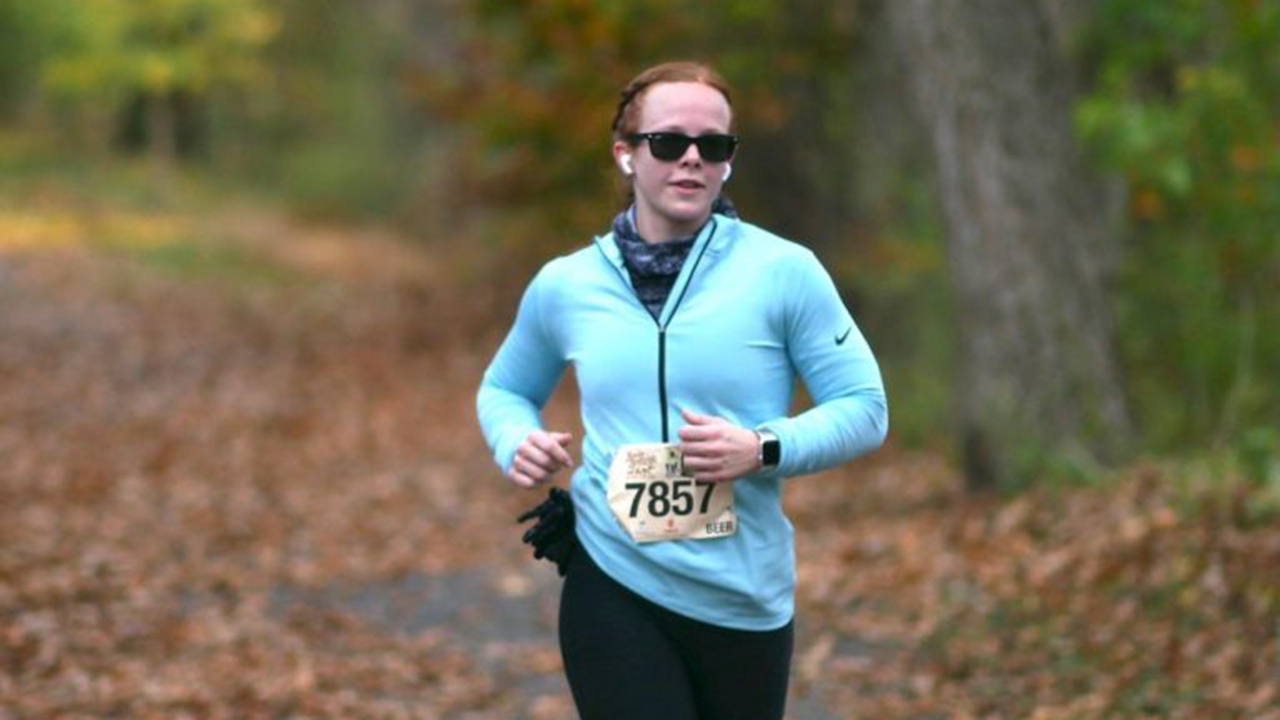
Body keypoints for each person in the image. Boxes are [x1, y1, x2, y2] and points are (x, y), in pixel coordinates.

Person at [476, 60, 888, 720]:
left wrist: (762, 447)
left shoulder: (784, 272)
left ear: (728, 163)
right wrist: (513, 440)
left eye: (714, 146)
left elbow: (866, 409)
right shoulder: (566, 284)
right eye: (668, 143)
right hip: (612, 578)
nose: (691, 160)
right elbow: (504, 389)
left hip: (743, 594)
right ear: (625, 155)